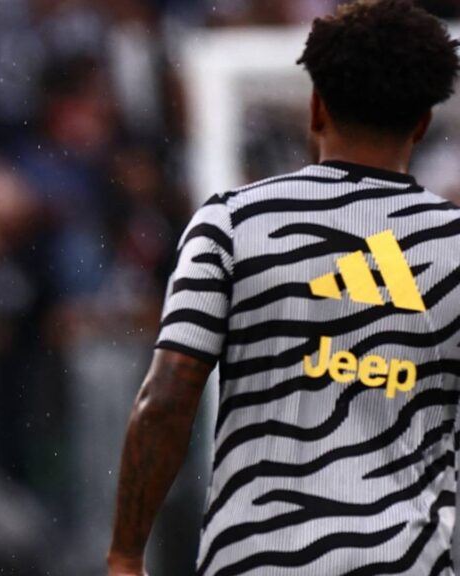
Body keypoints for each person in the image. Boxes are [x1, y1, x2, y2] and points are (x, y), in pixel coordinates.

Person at [107, 1, 460, 574]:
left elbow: (166, 399)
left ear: (315, 107)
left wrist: (125, 553)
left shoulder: (232, 223)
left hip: (255, 560)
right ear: (422, 122)